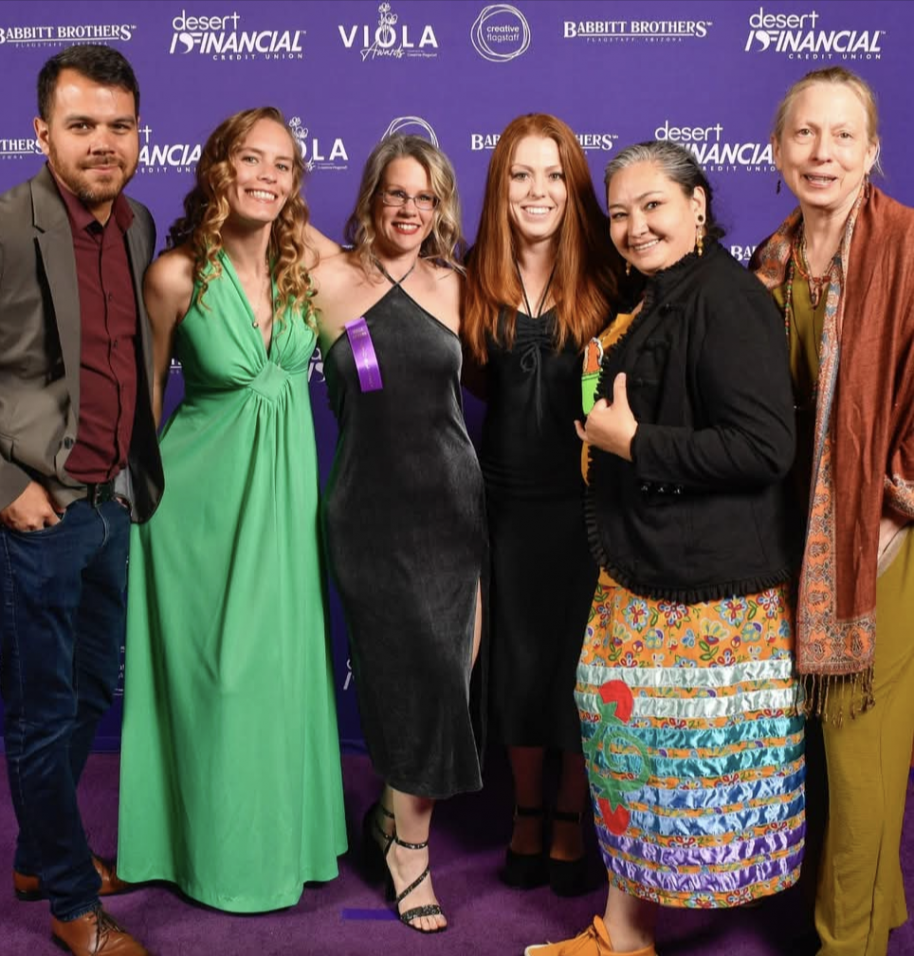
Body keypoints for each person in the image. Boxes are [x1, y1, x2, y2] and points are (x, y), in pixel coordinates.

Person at [0, 46, 161, 956]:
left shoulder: (137, 225)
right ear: (41, 132)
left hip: (106, 507)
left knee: (90, 690)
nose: (102, 143)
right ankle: (68, 900)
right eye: (81, 126)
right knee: (42, 710)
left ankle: (35, 854)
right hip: (29, 519)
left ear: (139, 135)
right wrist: (4, 487)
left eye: (118, 127)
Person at [525, 140, 805, 956]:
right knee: (628, 761)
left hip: (703, 592)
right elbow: (606, 409)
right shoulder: (649, 298)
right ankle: (622, 934)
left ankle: (632, 935)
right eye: (619, 212)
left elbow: (764, 449)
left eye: (653, 206)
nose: (635, 226)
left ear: (698, 207)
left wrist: (636, 443)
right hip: (638, 573)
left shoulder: (727, 299)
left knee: (680, 777)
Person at [114, 107, 347, 912]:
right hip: (194, 510)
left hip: (283, 504)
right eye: (251, 159)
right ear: (219, 167)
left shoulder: (306, 274)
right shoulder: (175, 275)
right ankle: (195, 853)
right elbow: (144, 398)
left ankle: (281, 843)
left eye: (283, 165)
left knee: (274, 677)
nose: (267, 175)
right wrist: (132, 498)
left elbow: (367, 357)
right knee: (214, 680)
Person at [751, 67, 914, 956]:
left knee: (859, 757)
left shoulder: (907, 246)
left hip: (879, 542)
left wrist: (891, 510)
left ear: (872, 150)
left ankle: (846, 944)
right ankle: (873, 909)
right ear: (777, 152)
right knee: (826, 756)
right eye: (805, 136)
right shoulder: (769, 262)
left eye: (842, 135)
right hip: (795, 538)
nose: (822, 153)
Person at [309, 134, 486, 933]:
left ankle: (392, 820)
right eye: (396, 194)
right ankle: (409, 856)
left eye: (426, 197)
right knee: (400, 683)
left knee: (447, 682)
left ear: (442, 205)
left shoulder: (460, 284)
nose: (411, 209)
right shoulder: (326, 275)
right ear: (371, 198)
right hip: (369, 515)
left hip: (453, 512)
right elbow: (251, 214)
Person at [463, 114, 620, 897]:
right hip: (506, 505)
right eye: (522, 174)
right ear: (501, 187)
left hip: (589, 508)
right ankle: (526, 808)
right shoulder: (468, 276)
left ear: (574, 186)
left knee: (574, 670)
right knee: (518, 665)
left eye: (554, 174)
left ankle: (569, 816)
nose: (538, 191)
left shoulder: (609, 276)